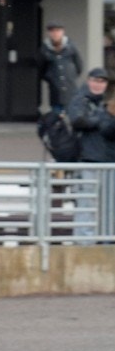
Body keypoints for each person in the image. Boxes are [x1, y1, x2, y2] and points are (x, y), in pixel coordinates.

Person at [64, 67, 113, 239]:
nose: (98, 85)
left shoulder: (104, 104)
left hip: (107, 161)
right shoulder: (79, 100)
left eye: (102, 81)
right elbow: (77, 120)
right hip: (87, 159)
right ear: (88, 81)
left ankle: (107, 241)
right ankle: (84, 242)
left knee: (108, 205)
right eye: (95, 80)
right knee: (86, 203)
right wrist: (101, 118)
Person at [39, 22, 84, 114]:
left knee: (72, 114)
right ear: (49, 33)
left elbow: (79, 66)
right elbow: (41, 68)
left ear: (63, 32)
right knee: (56, 116)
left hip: (70, 88)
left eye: (58, 31)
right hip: (55, 91)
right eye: (52, 31)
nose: (55, 33)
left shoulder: (71, 47)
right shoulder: (44, 49)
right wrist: (51, 78)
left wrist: (71, 76)